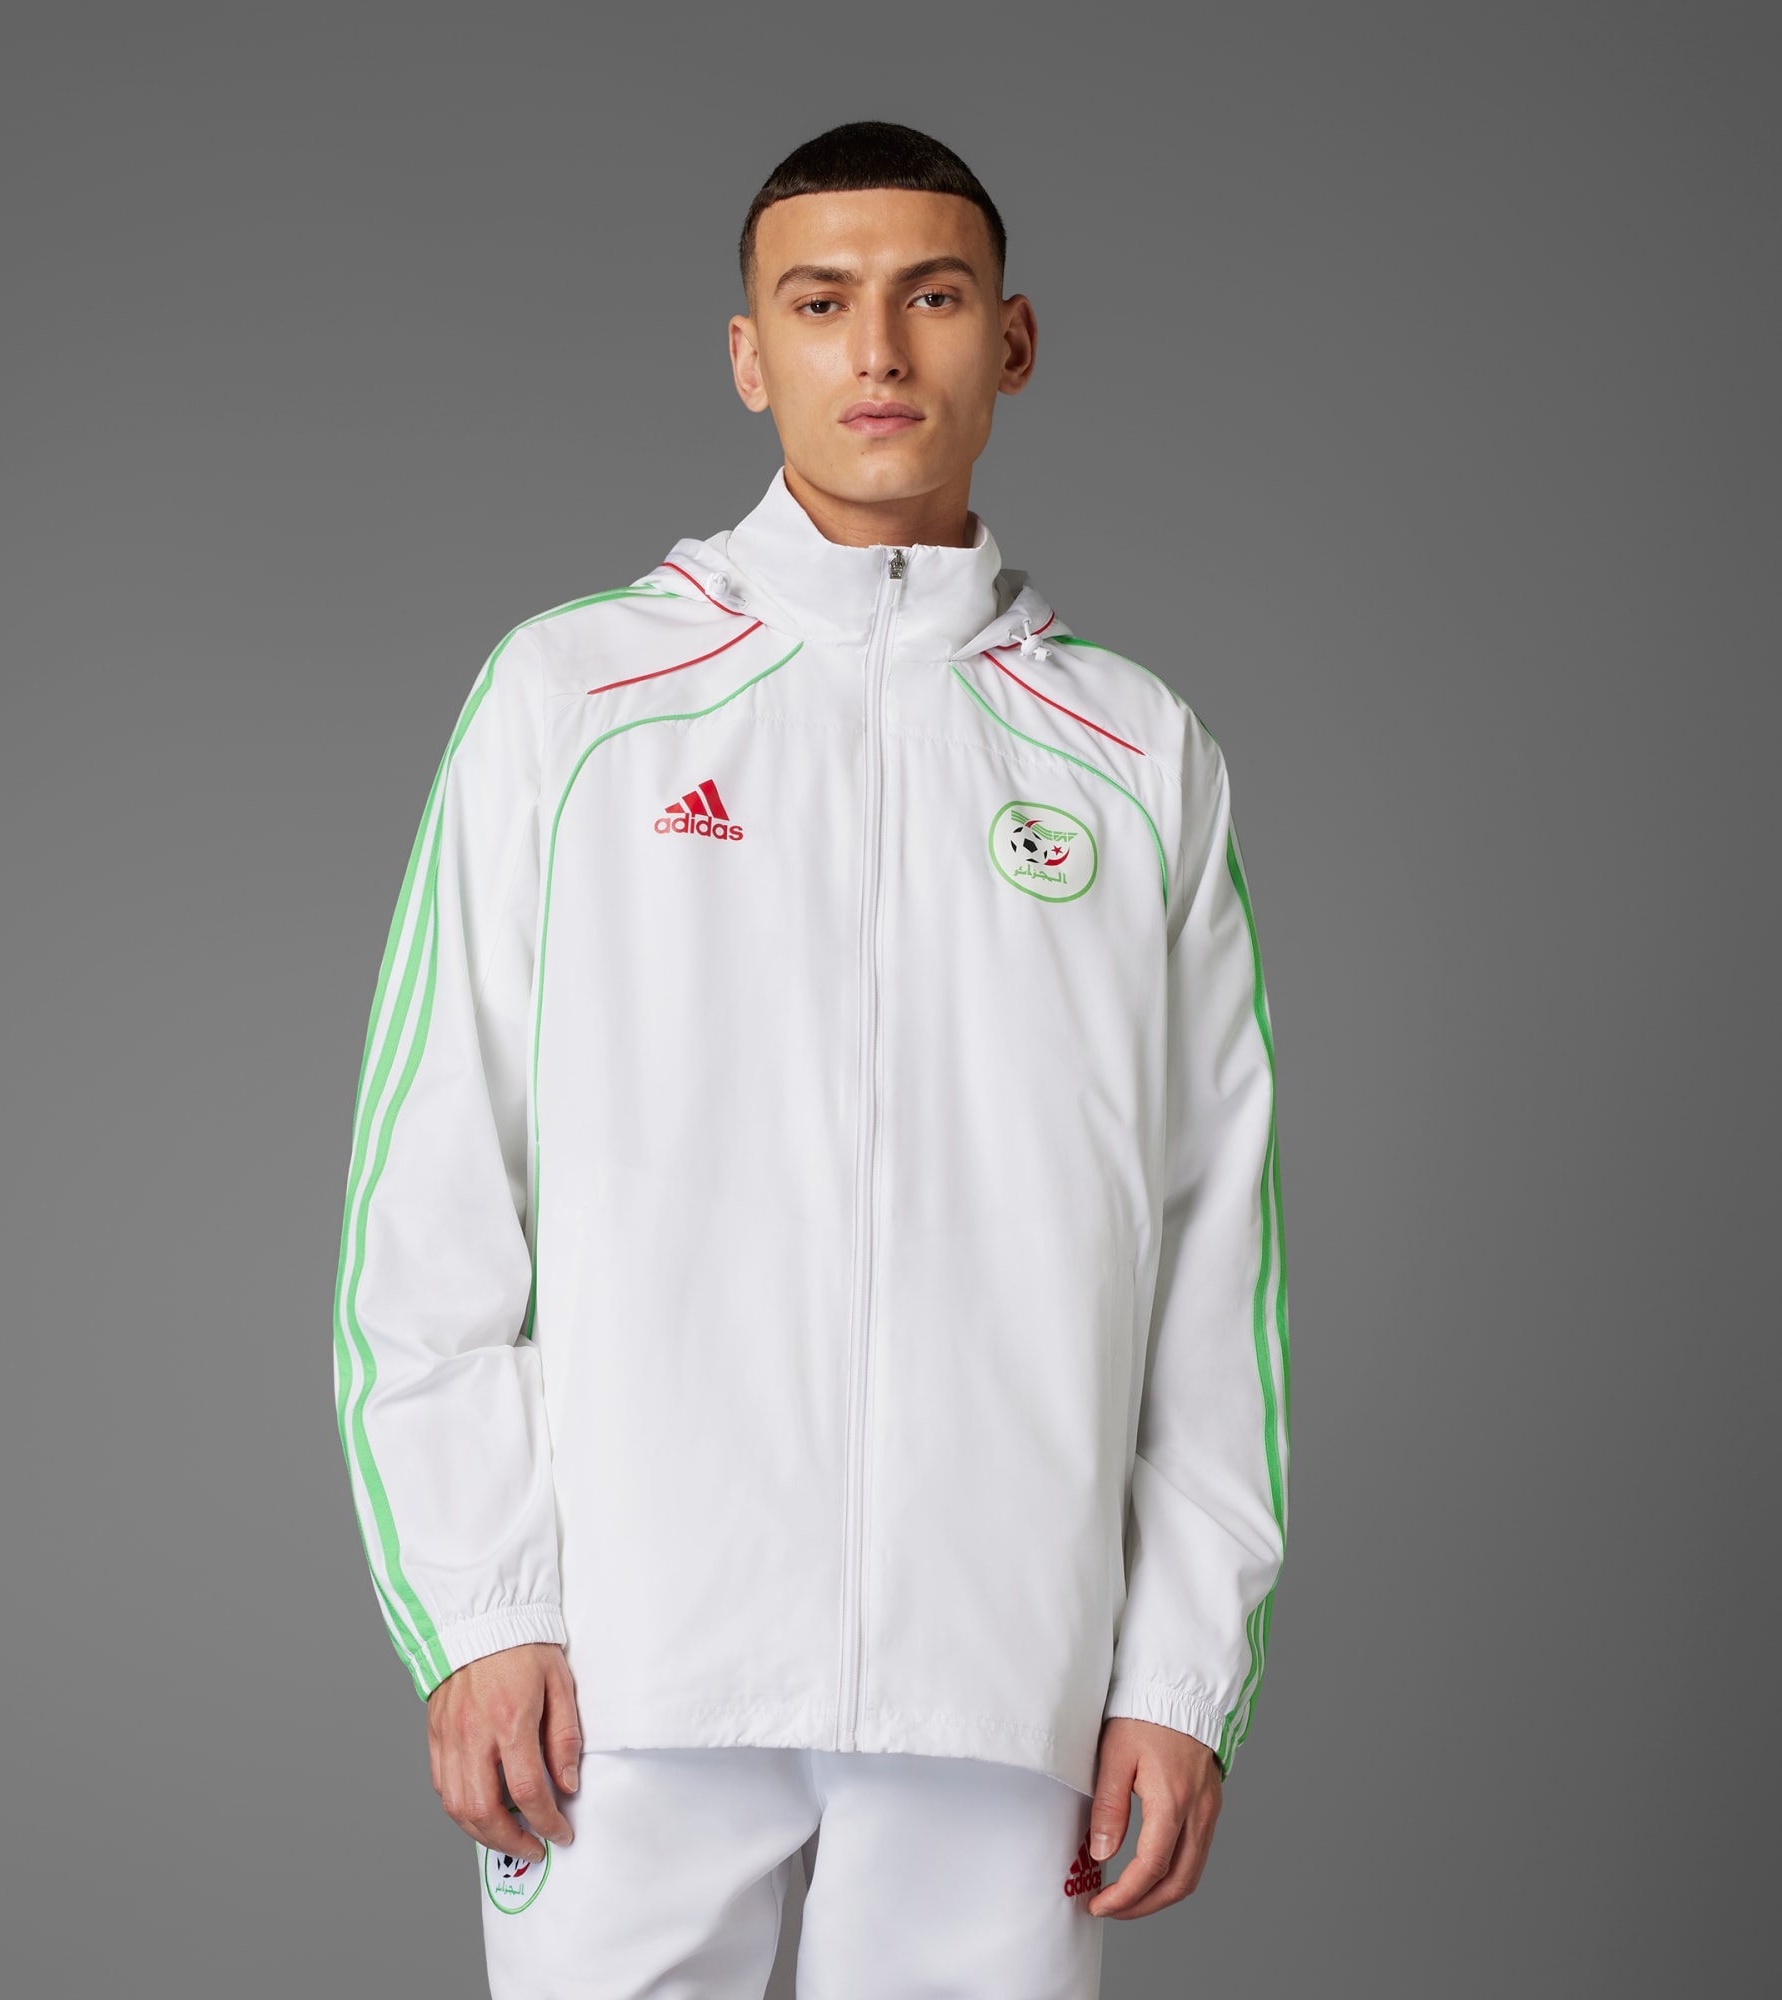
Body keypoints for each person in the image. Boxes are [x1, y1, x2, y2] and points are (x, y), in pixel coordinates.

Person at [332, 120, 1290, 1999]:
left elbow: (1213, 1255)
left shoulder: (1136, 755)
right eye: (821, 302)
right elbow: (432, 1186)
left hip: (1002, 1668)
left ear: (1011, 341)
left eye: (931, 299)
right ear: (748, 354)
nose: (878, 352)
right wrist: (481, 1608)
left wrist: (1179, 1676)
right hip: (628, 1668)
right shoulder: (572, 704)